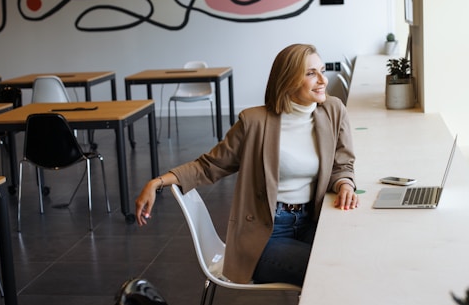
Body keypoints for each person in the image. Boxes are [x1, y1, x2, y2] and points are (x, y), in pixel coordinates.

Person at [135, 43, 359, 287]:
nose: (322, 80)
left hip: (313, 220)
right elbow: (210, 166)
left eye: (322, 71)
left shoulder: (333, 110)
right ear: (287, 81)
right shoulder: (254, 122)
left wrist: (344, 184)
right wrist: (157, 182)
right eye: (310, 73)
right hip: (265, 236)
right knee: (325, 270)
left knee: (348, 259)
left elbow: (342, 163)